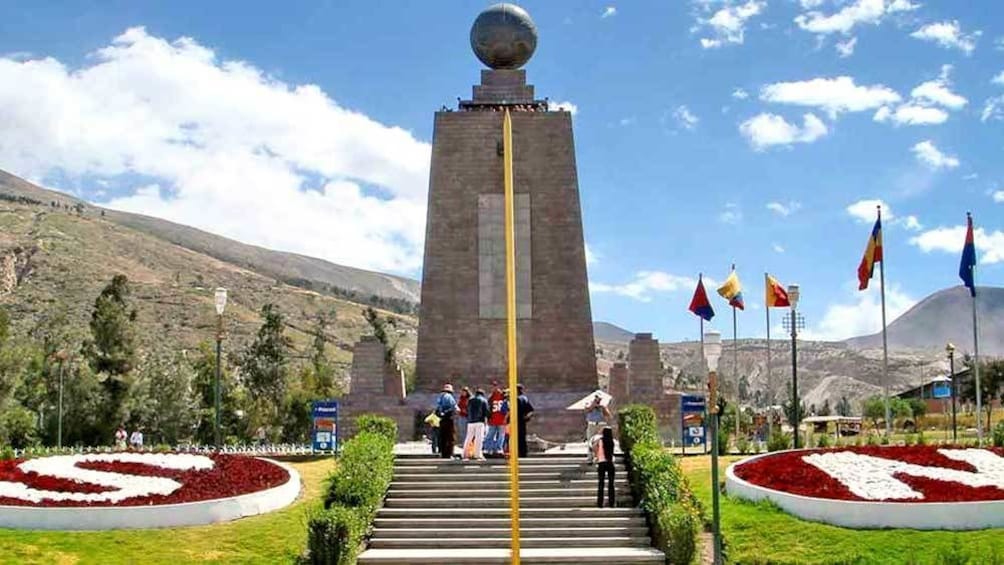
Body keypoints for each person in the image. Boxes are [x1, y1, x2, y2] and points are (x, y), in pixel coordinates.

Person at [590, 426, 616, 508]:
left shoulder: (600, 440)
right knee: (611, 484)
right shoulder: (612, 441)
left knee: (601, 484)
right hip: (610, 463)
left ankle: (600, 503)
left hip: (601, 463)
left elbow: (592, 447)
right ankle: (612, 503)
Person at [585, 394, 613, 463]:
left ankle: (600, 457)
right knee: (590, 441)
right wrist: (593, 405)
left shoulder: (603, 405)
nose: (598, 400)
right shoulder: (589, 403)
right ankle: (590, 458)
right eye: (597, 398)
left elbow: (609, 415)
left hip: (601, 424)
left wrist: (603, 407)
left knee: (601, 441)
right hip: (592, 424)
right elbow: (587, 410)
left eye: (599, 398)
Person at [463, 388, 489, 460]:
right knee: (479, 438)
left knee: (469, 437)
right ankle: (477, 454)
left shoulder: (470, 400)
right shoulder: (484, 400)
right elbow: (486, 412)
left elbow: (467, 409)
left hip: (470, 421)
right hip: (479, 421)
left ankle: (465, 454)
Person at [436, 383, 458, 459]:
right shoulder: (450, 397)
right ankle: (449, 454)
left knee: (442, 437)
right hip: (449, 419)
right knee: (450, 437)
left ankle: (443, 454)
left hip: (442, 420)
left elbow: (437, 409)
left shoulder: (440, 397)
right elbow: (454, 408)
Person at [485, 381, 507, 456]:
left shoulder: (504, 396)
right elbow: (488, 409)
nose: (494, 388)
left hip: (501, 419)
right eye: (493, 386)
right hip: (493, 420)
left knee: (501, 436)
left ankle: (498, 449)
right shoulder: (491, 397)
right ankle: (488, 449)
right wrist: (488, 418)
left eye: (495, 386)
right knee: (490, 435)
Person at [516, 384, 534, 458]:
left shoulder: (517, 399)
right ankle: (523, 453)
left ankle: (519, 453)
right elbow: (531, 410)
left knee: (517, 438)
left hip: (516, 421)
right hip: (523, 422)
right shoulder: (525, 398)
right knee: (522, 438)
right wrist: (526, 417)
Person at [456, 386, 471, 453]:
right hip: (461, 416)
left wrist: (467, 411)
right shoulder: (461, 398)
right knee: (462, 430)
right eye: (462, 392)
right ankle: (463, 443)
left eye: (464, 392)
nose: (463, 393)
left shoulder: (469, 399)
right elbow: (459, 406)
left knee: (467, 431)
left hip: (468, 416)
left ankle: (468, 444)